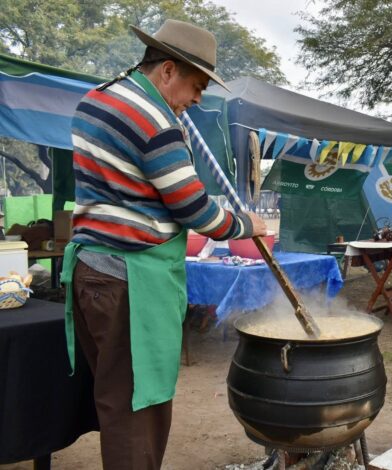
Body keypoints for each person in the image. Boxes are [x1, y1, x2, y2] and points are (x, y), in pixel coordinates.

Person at [61, 19, 267, 469]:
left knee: (116, 398)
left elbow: (137, 187)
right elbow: (198, 214)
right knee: (140, 409)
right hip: (130, 280)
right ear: (168, 70)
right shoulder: (156, 122)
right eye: (196, 86)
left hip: (91, 269)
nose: (197, 99)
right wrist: (248, 224)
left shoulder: (97, 98)